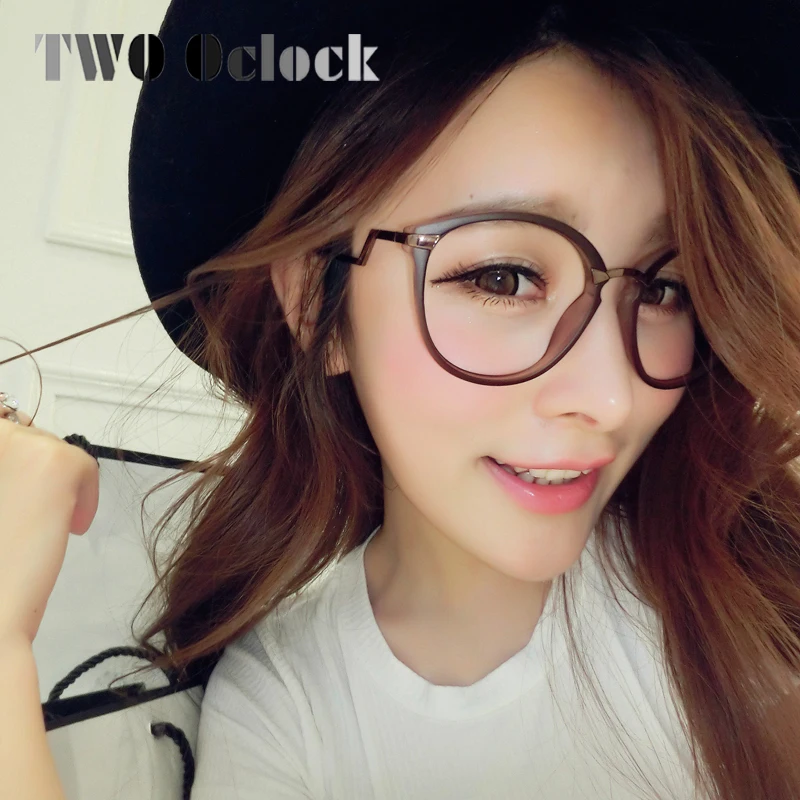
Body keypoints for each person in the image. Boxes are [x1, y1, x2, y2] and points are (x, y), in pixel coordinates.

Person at [2, 0, 800, 798]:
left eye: (663, 288)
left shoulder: (750, 594)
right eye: (503, 278)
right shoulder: (292, 707)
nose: (613, 397)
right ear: (315, 305)